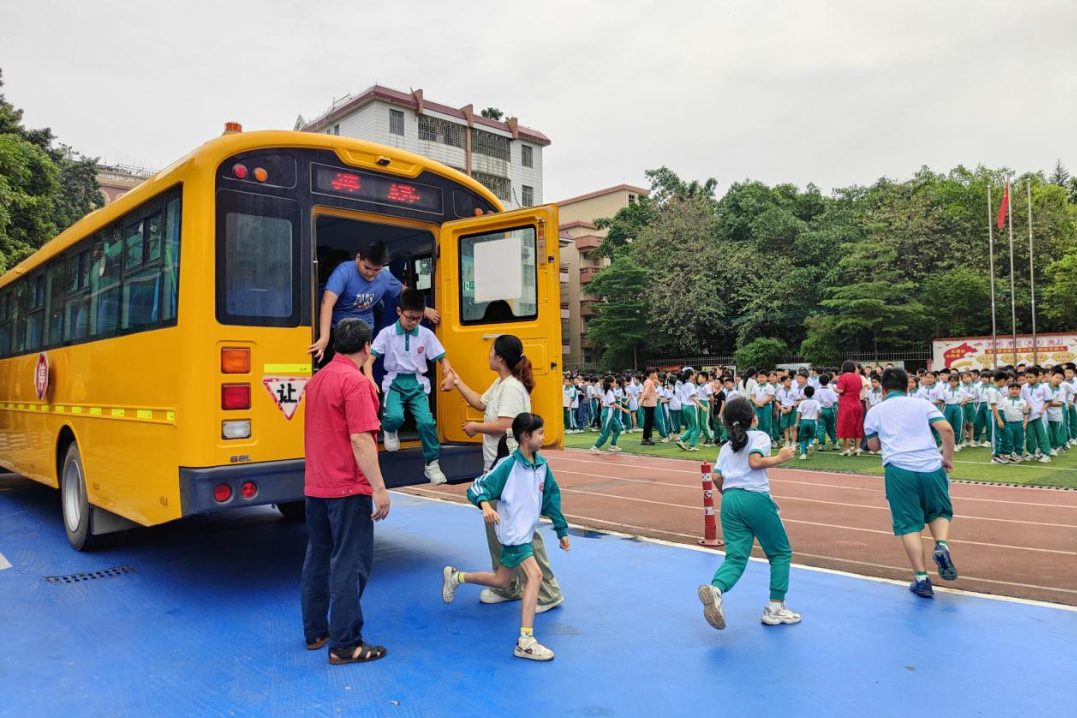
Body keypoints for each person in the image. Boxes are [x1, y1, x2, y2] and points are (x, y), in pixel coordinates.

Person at [446, 334, 565, 612]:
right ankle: (509, 586)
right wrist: (457, 379)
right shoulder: (501, 384)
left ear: (499, 357)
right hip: (499, 466)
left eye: (490, 351)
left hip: (511, 469)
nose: (488, 354)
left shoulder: (511, 388)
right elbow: (479, 402)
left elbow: (507, 424)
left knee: (521, 532)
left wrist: (476, 427)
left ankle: (547, 592)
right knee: (498, 530)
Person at [443, 413, 571, 661]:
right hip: (513, 535)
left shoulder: (542, 466)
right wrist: (486, 506)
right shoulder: (507, 466)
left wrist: (561, 530)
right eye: (540, 433)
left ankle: (456, 576)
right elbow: (477, 487)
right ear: (525, 436)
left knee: (502, 581)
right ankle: (525, 640)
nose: (544, 437)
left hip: (524, 533)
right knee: (534, 575)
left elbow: (552, 499)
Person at [300, 319, 391, 665]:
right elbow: (360, 438)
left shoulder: (318, 380)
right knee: (349, 563)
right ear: (367, 348)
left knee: (318, 556)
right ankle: (346, 643)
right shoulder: (355, 383)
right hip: (347, 488)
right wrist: (379, 489)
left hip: (316, 486)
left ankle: (315, 632)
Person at [696, 397, 800, 631]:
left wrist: (730, 495)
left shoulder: (725, 446)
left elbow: (715, 477)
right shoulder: (759, 436)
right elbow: (755, 462)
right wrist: (780, 458)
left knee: (735, 557)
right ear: (753, 418)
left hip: (730, 500)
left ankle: (716, 589)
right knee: (780, 552)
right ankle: (775, 608)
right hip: (755, 497)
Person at [864, 368, 958, 599]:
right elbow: (946, 429)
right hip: (931, 466)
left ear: (883, 389)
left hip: (899, 468)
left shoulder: (875, 411)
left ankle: (922, 579)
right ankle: (942, 544)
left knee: (909, 523)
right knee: (939, 511)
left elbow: (874, 446)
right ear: (907, 387)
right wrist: (947, 458)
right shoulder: (922, 404)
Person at [368, 289, 454, 484]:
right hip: (394, 381)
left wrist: (448, 375)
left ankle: (432, 464)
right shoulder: (387, 334)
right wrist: (368, 379)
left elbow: (442, 359)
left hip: (417, 383)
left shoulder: (426, 335)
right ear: (399, 311)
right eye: (410, 318)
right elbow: (369, 358)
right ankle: (390, 430)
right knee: (394, 417)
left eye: (418, 318)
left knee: (426, 423)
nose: (414, 322)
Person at [308, 240, 440, 363]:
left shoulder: (385, 277)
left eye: (376, 269)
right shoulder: (344, 271)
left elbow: (405, 292)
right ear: (358, 258)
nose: (371, 273)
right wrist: (324, 338)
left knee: (361, 372)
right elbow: (327, 303)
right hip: (339, 330)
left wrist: (425, 309)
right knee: (338, 370)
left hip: (365, 331)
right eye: (367, 268)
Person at [1021, 367, 1052, 463]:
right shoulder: (1024, 387)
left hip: (1040, 415)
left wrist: (1043, 409)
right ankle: (1031, 453)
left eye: (1031, 377)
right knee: (1029, 436)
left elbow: (1049, 401)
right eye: (1027, 377)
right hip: (1028, 415)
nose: (1028, 379)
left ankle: (1046, 454)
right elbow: (1022, 400)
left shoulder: (1044, 387)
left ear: (1038, 377)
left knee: (1042, 435)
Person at [834, 361, 865, 456]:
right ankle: (857, 448)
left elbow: (840, 390)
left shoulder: (843, 377)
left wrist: (834, 388)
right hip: (857, 403)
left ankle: (846, 449)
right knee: (858, 426)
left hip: (846, 405)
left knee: (846, 426)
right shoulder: (858, 377)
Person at [592, 376, 624, 454]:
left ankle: (613, 445)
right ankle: (596, 447)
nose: (615, 383)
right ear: (611, 383)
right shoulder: (609, 392)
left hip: (609, 412)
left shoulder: (608, 391)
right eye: (614, 382)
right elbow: (613, 403)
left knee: (618, 428)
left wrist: (603, 412)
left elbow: (602, 402)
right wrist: (624, 410)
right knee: (605, 432)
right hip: (608, 412)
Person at [676, 368, 703, 452]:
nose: (695, 375)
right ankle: (691, 446)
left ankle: (682, 440)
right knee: (696, 428)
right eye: (694, 374)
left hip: (684, 406)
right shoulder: (690, 385)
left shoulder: (684, 385)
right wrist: (702, 406)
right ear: (691, 375)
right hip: (691, 406)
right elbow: (692, 397)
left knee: (691, 427)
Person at [815, 374, 838, 451]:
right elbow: (835, 402)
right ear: (828, 381)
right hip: (829, 410)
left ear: (819, 381)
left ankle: (821, 444)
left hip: (819, 410)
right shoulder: (830, 391)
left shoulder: (817, 391)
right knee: (830, 427)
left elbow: (815, 401)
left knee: (820, 427)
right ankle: (834, 443)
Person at [796, 386, 820, 460]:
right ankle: (810, 444)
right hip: (812, 421)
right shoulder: (816, 402)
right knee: (810, 436)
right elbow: (819, 411)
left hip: (804, 420)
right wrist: (817, 419)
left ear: (804, 393)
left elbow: (799, 413)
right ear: (813, 393)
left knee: (802, 437)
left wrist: (797, 422)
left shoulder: (802, 402)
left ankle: (803, 453)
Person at [640, 368, 659, 446]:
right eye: (653, 372)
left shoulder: (648, 381)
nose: (655, 374)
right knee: (648, 422)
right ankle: (646, 438)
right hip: (649, 403)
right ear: (650, 374)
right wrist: (642, 400)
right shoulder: (649, 382)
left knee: (648, 421)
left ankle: (647, 437)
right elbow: (646, 393)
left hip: (649, 403)